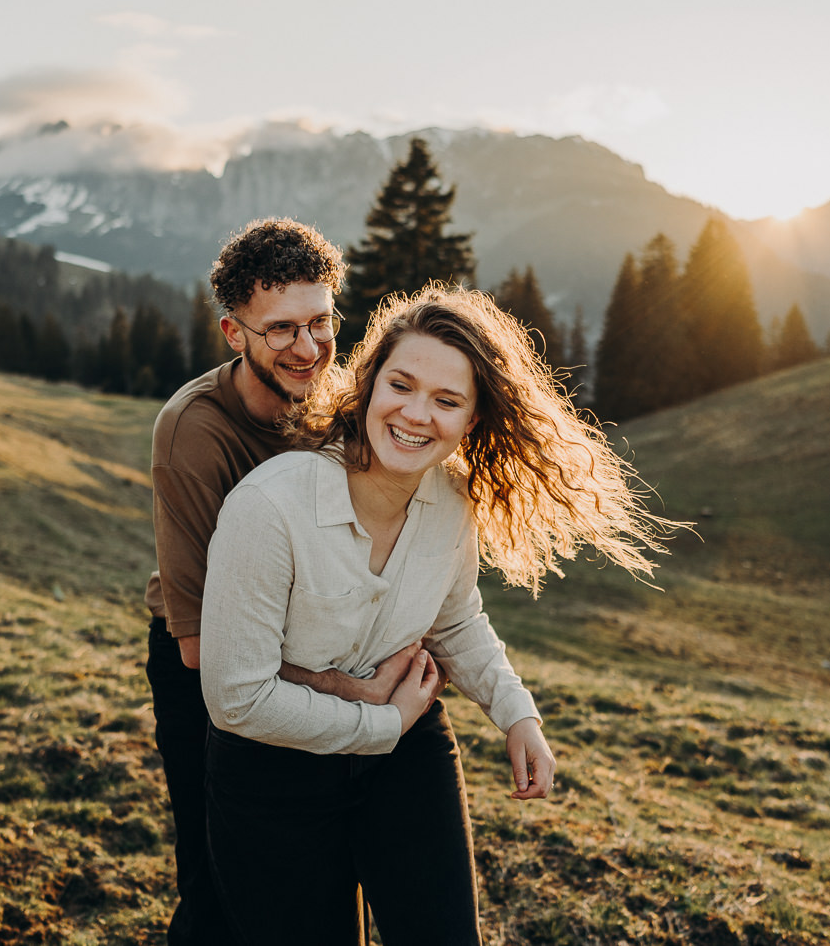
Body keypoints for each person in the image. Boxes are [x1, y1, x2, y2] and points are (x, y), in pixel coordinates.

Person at [199, 283, 676, 945]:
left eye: (447, 400)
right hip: (274, 774)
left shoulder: (452, 501)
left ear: (471, 421)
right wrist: (380, 720)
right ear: (367, 383)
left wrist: (516, 714)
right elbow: (236, 698)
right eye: (402, 384)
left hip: (407, 755)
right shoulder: (269, 509)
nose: (416, 413)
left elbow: (456, 621)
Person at [144, 217, 428, 946]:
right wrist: (351, 692)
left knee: (318, 876)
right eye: (279, 331)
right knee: (218, 887)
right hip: (208, 672)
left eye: (320, 323)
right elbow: (204, 651)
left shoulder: (344, 406)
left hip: (319, 650)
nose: (308, 350)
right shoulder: (194, 432)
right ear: (233, 333)